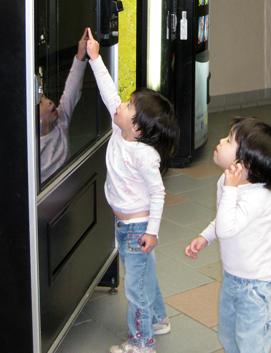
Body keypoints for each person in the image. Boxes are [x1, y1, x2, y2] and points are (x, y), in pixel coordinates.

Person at [86, 28, 180, 353]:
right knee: (145, 277)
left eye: (128, 105)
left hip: (137, 229)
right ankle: (158, 318)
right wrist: (96, 57)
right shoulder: (120, 127)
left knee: (135, 289)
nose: (121, 105)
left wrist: (152, 232)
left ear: (137, 127)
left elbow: (158, 194)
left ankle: (142, 342)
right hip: (126, 226)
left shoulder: (144, 155)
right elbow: (108, 92)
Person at [185, 117, 271, 353]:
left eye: (229, 140)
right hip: (232, 278)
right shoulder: (226, 182)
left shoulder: (257, 197)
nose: (221, 141)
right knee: (229, 336)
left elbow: (226, 228)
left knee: (250, 343)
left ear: (246, 164)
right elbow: (223, 219)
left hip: (257, 287)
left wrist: (230, 191)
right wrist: (205, 237)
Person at [39, 28, 89, 182]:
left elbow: (70, 92)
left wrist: (80, 56)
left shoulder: (61, 122)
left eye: (46, 98)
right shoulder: (32, 147)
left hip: (67, 189)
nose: (48, 102)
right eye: (40, 103)